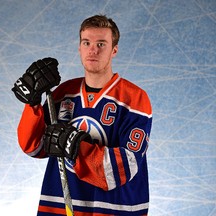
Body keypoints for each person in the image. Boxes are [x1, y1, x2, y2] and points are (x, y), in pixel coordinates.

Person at [12, 14, 152, 216]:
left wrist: (74, 146)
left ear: (114, 50)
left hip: (113, 210)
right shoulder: (63, 93)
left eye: (101, 44)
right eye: (87, 42)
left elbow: (123, 168)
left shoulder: (135, 100)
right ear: (79, 48)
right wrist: (32, 105)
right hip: (60, 207)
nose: (93, 49)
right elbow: (34, 148)